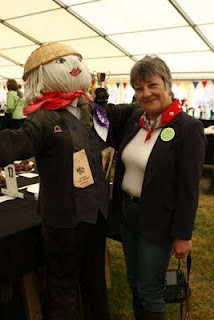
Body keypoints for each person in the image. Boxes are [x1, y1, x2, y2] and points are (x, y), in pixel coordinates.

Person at [0, 42, 135, 320]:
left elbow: (123, 114)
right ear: (43, 76)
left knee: (95, 281)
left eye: (75, 60)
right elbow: (16, 142)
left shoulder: (92, 111)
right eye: (62, 62)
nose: (74, 65)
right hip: (63, 221)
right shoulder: (44, 119)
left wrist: (156, 106)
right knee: (63, 288)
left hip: (96, 214)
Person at [108, 55, 206, 320]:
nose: (146, 93)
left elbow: (189, 188)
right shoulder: (137, 119)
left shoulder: (188, 127)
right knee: (133, 280)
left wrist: (183, 234)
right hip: (129, 213)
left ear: (167, 84)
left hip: (158, 219)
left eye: (152, 85)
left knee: (151, 287)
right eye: (139, 88)